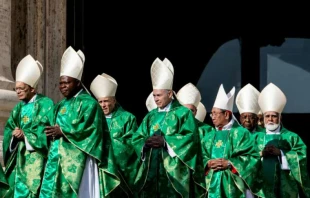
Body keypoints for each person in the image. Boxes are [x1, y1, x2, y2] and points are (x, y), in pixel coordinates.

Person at [131, 57, 204, 197]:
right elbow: (136, 138)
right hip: (150, 174)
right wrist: (145, 143)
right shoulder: (150, 116)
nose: (156, 99)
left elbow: (191, 140)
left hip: (174, 176)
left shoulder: (183, 114)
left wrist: (165, 142)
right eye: (154, 95)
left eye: (159, 95)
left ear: (170, 94)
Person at [39, 46, 105, 198]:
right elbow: (45, 125)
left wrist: (63, 131)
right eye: (61, 83)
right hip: (56, 158)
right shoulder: (60, 105)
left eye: (66, 83)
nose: (62, 87)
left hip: (78, 161)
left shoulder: (90, 104)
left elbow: (92, 131)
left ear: (77, 83)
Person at [3, 54, 54, 197]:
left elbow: (48, 131)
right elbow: (8, 129)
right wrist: (13, 137)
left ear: (32, 89)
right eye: (16, 89)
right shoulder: (18, 108)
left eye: (21, 88)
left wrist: (26, 136)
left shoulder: (46, 104)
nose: (17, 91)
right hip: (19, 159)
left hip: (38, 159)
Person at [201, 84, 261, 197]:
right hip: (212, 185)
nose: (212, 116)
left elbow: (252, 158)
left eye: (215, 113)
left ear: (227, 114)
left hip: (234, 187)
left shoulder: (241, 133)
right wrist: (208, 163)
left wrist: (229, 163)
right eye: (211, 113)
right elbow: (200, 156)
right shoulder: (209, 136)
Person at [253, 83, 310, 197]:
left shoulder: (291, 137)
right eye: (267, 116)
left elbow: (302, 157)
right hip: (262, 188)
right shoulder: (256, 137)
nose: (270, 119)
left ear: (280, 117)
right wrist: (261, 154)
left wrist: (281, 154)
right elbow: (246, 158)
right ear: (263, 118)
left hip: (287, 187)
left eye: (274, 116)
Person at [90, 73, 139, 196]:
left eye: (106, 101)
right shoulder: (92, 119)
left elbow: (132, 144)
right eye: (100, 102)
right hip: (97, 170)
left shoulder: (127, 118)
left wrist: (105, 148)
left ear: (114, 100)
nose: (103, 105)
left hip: (119, 172)